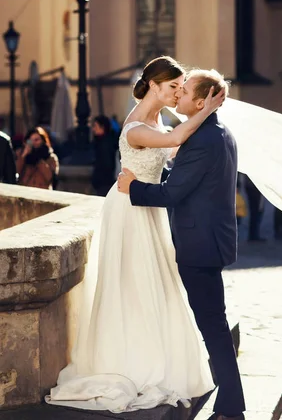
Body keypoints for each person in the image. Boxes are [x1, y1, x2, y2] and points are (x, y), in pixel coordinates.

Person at [46, 56, 225, 414]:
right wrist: (207, 109)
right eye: (173, 87)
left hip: (149, 207)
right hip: (129, 209)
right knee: (130, 284)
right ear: (154, 86)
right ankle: (129, 359)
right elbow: (175, 138)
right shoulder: (135, 127)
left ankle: (156, 352)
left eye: (180, 87)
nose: (178, 93)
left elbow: (176, 146)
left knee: (155, 283)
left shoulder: (157, 119)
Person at [118, 68, 245, 420]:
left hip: (200, 244)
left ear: (201, 102)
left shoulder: (204, 138)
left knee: (214, 328)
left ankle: (231, 408)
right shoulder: (214, 132)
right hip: (207, 240)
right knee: (212, 324)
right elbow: (190, 181)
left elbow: (173, 193)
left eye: (184, 90)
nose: (178, 96)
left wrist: (134, 188)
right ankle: (229, 404)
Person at [91, 115, 118, 196]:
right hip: (105, 183)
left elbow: (105, 164)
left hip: (104, 184)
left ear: (102, 127)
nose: (93, 129)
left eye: (95, 126)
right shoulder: (103, 141)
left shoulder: (105, 144)